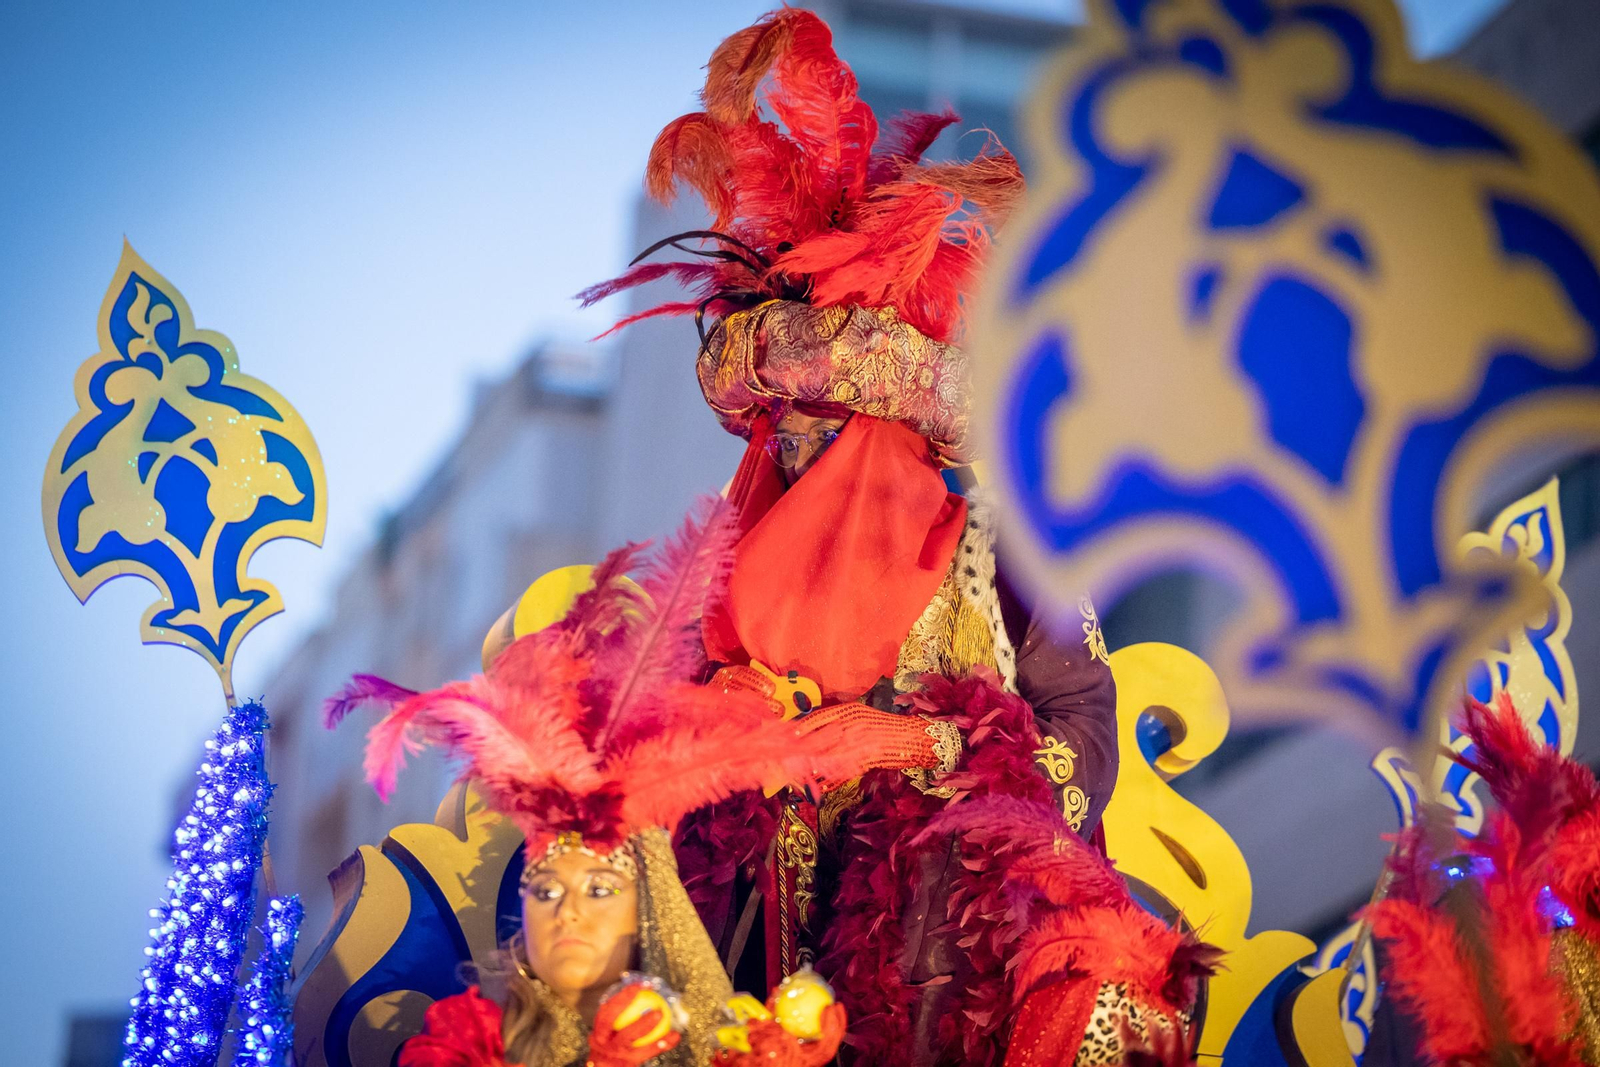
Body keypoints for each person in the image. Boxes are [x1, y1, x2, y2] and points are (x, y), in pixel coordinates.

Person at [580, 10, 1121, 1063]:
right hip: (747, 963)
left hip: (946, 958)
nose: (804, 453)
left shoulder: (1005, 542)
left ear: (889, 424)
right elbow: (626, 761)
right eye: (788, 428)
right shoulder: (720, 562)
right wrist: (707, 718)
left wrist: (920, 742)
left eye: (833, 428)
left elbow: (1082, 753)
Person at [327, 502, 853, 1067]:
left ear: (644, 910)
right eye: (546, 891)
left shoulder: (726, 1051)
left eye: (599, 890)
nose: (566, 914)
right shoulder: (467, 1043)